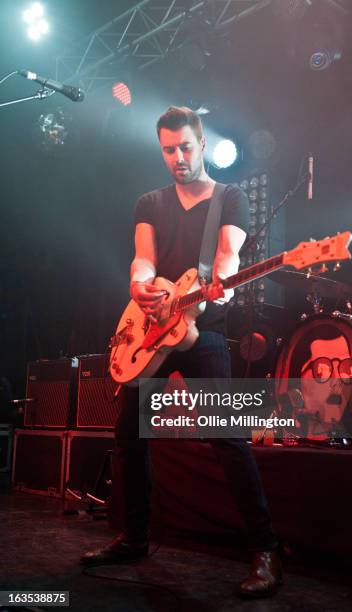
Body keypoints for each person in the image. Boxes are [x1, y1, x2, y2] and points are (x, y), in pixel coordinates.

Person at [81, 106, 282, 597]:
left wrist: (223, 284)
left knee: (229, 439)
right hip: (150, 332)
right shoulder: (149, 201)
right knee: (129, 435)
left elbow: (228, 254)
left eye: (185, 147)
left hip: (203, 329)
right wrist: (139, 285)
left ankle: (265, 551)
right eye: (168, 149)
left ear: (202, 144)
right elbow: (143, 257)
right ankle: (133, 537)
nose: (177, 157)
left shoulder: (230, 198)